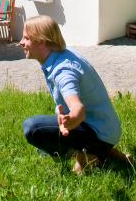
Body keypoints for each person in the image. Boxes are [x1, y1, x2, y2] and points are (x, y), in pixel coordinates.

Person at [20, 15, 130, 173]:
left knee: (33, 128)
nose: (21, 42)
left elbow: (77, 108)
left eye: (26, 38)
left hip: (98, 132)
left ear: (42, 41)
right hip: (107, 129)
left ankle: (83, 153)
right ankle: (105, 154)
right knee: (44, 147)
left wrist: (70, 121)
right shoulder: (63, 53)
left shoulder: (63, 71)